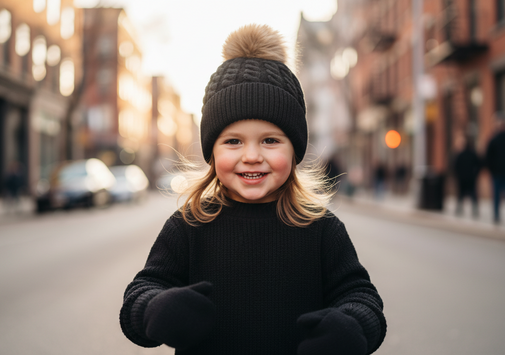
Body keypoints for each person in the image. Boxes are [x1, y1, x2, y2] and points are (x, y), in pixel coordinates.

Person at [119, 24, 386, 355]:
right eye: (233, 141)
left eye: (270, 140)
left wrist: (353, 326)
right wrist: (155, 307)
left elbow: (361, 296)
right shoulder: (189, 225)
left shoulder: (320, 228)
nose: (251, 156)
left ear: (295, 150)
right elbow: (139, 293)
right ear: (212, 152)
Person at [485, 115, 505, 223]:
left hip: (498, 173)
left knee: (497, 195)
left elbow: (488, 158)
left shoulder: (493, 140)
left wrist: (491, 170)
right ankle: (496, 215)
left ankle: (496, 215)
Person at [453, 136, 481, 217]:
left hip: (462, 178)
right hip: (470, 178)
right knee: (472, 195)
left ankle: (459, 210)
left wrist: (458, 176)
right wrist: (475, 175)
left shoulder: (460, 155)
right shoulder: (473, 154)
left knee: (461, 194)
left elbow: (455, 167)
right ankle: (474, 211)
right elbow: (479, 165)